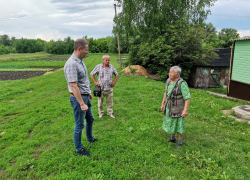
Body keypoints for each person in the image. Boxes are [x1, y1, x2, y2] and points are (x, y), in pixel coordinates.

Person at [64, 39, 97, 156]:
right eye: (86, 50)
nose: (87, 52)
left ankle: (90, 138)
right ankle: (79, 149)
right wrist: (82, 103)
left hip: (85, 96)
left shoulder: (80, 61)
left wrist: (88, 92)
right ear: (79, 49)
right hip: (78, 99)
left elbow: (82, 80)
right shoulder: (72, 64)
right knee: (79, 124)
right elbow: (73, 85)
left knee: (90, 119)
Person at [161, 66, 191, 148]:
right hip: (169, 107)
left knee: (178, 124)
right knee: (171, 122)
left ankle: (180, 141)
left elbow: (187, 97)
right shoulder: (168, 81)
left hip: (178, 109)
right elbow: (166, 93)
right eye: (169, 72)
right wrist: (163, 103)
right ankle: (173, 138)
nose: (169, 74)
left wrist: (185, 110)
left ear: (177, 75)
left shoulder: (182, 84)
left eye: (172, 73)